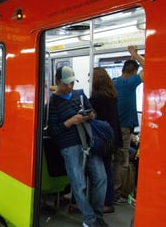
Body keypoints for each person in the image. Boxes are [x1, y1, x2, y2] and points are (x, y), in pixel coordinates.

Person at [48, 66, 108, 227]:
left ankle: (97, 215)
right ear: (57, 82)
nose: (69, 87)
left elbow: (93, 113)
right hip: (69, 146)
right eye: (66, 84)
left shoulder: (80, 95)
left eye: (72, 83)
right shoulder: (53, 102)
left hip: (88, 141)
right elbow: (53, 130)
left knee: (101, 178)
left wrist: (90, 115)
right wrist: (70, 122)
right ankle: (89, 220)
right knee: (79, 184)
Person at [112, 46, 144, 203]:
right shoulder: (131, 83)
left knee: (112, 160)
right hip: (125, 129)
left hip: (112, 128)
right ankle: (115, 193)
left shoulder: (114, 82)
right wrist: (135, 55)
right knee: (122, 161)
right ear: (133, 73)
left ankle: (109, 191)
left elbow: (132, 70)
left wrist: (131, 59)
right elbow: (150, 68)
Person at [90, 67, 123, 214]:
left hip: (102, 139)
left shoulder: (97, 98)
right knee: (108, 170)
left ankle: (105, 202)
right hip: (113, 138)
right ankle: (107, 201)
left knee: (101, 173)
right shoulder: (112, 95)